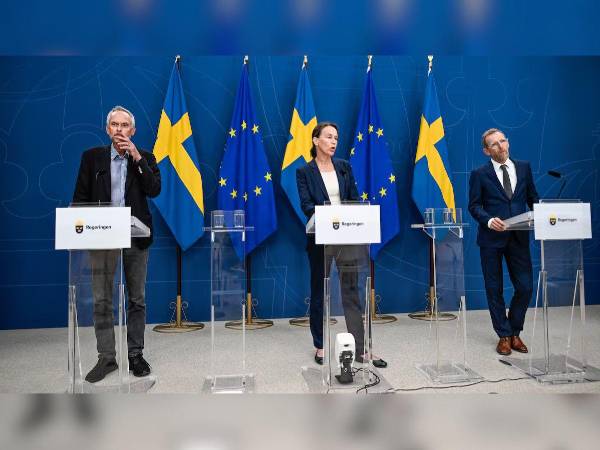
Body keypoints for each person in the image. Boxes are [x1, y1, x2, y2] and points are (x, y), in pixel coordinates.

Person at [72, 105, 161, 382]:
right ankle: (106, 358)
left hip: (136, 236)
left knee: (136, 299)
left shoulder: (145, 157)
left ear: (133, 131)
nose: (119, 130)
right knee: (102, 299)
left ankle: (135, 355)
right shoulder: (91, 158)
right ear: (107, 129)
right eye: (115, 125)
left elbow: (154, 190)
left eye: (124, 125)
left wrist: (137, 157)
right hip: (102, 235)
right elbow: (80, 199)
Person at [296, 122, 387, 368]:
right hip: (321, 239)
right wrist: (328, 215)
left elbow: (354, 199)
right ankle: (320, 345)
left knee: (351, 291)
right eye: (328, 137)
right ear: (316, 140)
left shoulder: (344, 166)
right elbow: (306, 205)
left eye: (336, 137)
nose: (334, 141)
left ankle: (361, 348)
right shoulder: (304, 172)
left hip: (348, 238)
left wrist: (349, 215)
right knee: (319, 291)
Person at [468, 128, 539, 355]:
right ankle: (504, 336)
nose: (501, 146)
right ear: (486, 151)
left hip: (519, 237)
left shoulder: (524, 167)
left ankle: (515, 330)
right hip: (491, 239)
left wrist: (544, 216)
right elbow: (474, 206)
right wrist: (489, 220)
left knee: (525, 287)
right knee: (494, 289)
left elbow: (533, 198)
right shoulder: (479, 174)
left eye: (503, 141)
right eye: (495, 144)